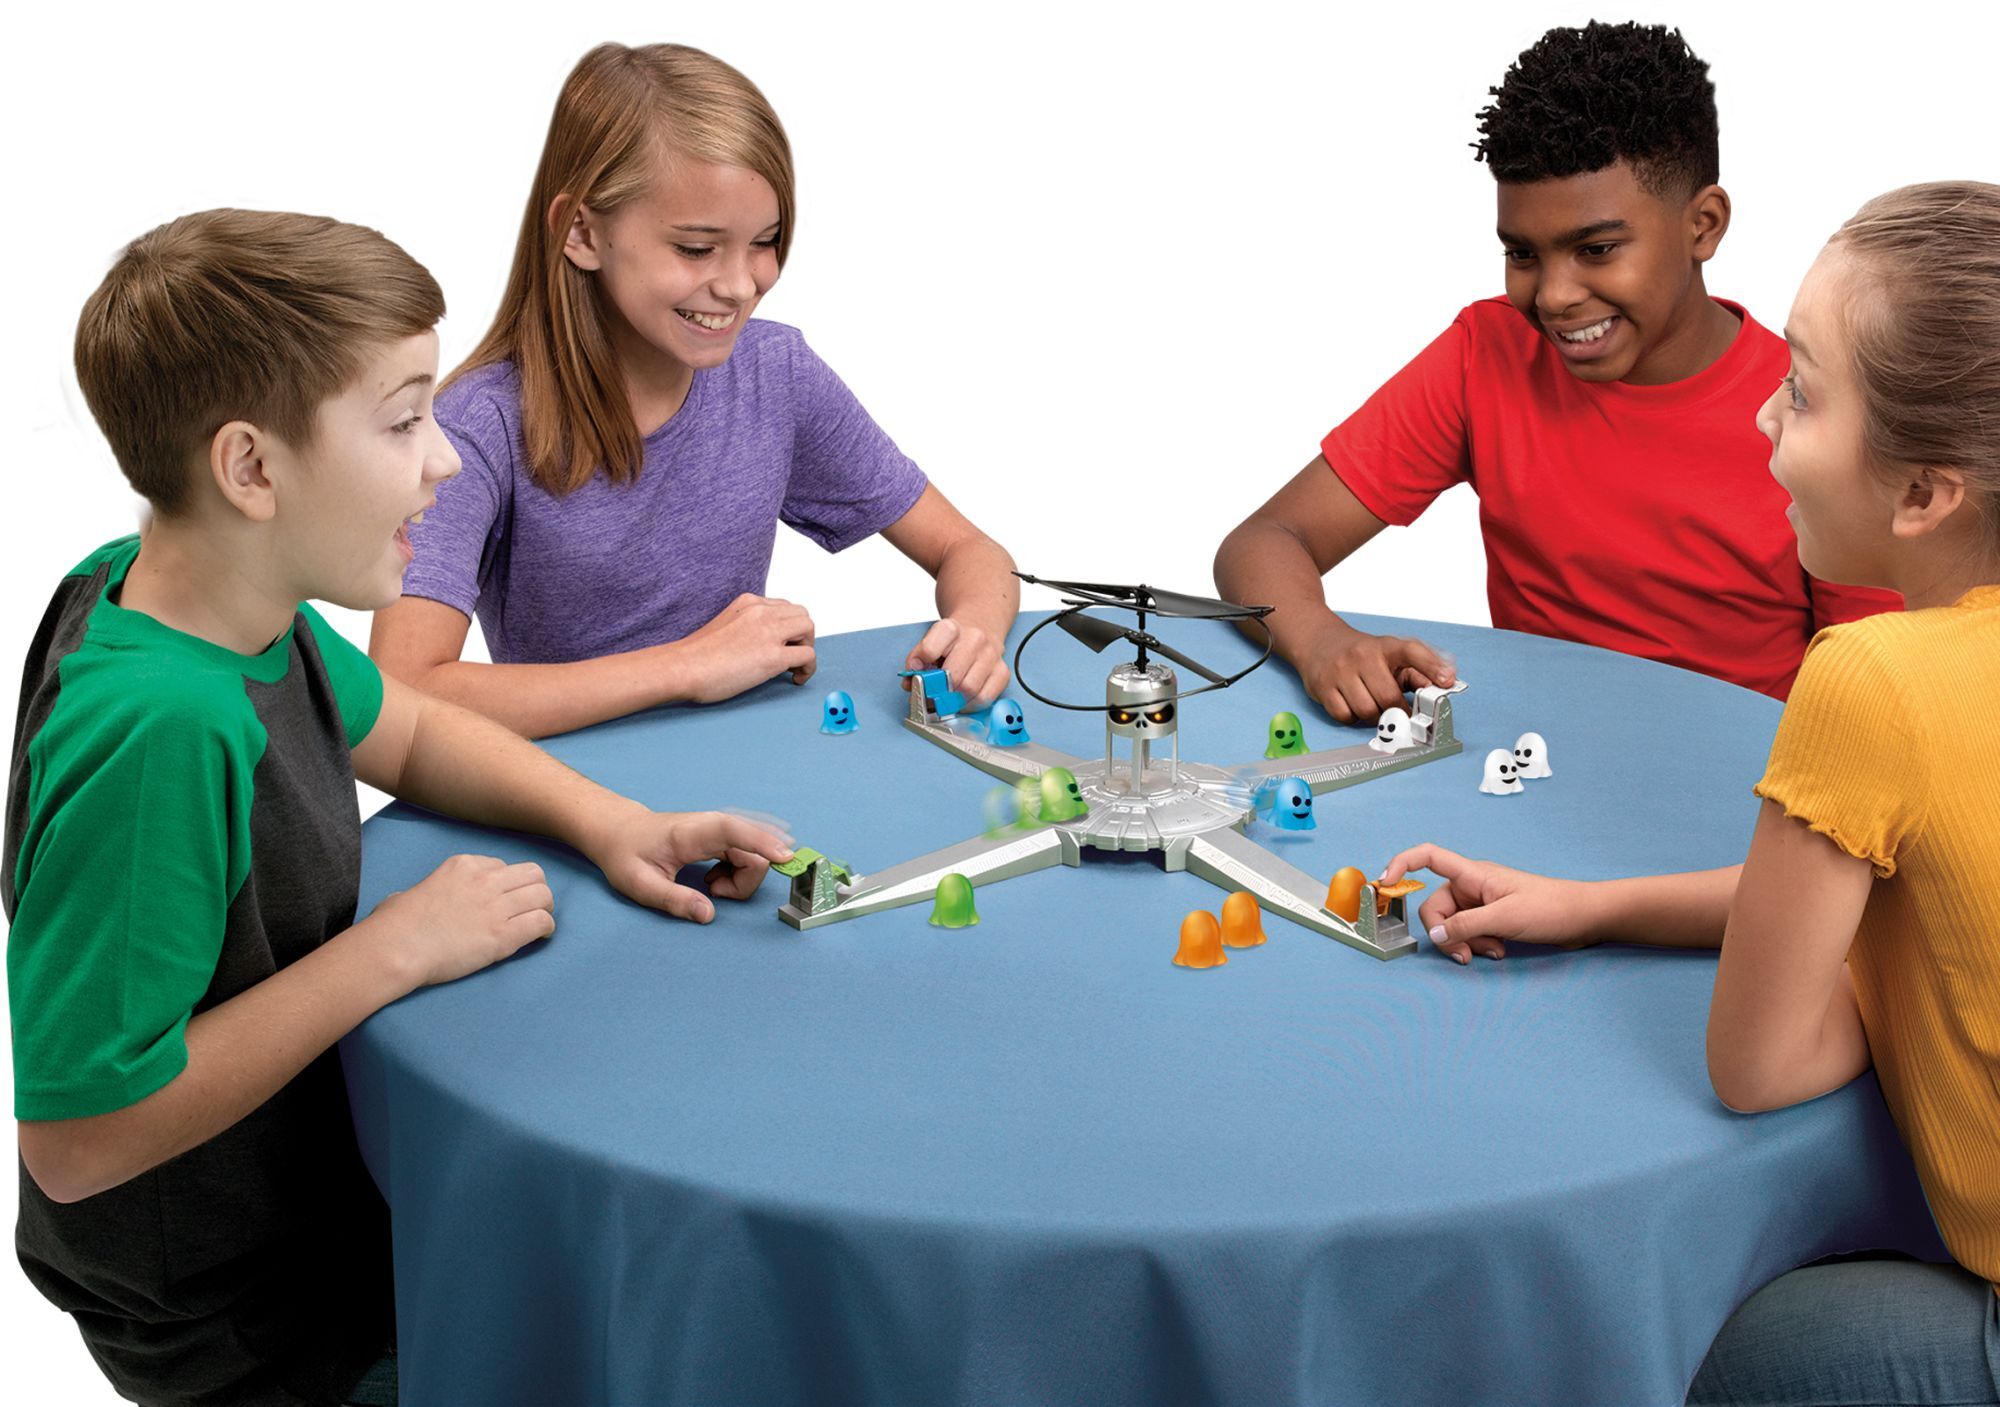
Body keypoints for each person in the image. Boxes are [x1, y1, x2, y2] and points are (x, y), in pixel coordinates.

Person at [6, 209, 793, 1406]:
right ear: (251, 469)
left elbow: (410, 730)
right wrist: (394, 950)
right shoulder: (165, 728)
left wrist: (610, 821)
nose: (446, 461)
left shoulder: (210, 599)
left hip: (316, 1213)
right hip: (251, 1321)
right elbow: (79, 1142)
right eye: (402, 420)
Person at [1380, 182, 2000, 1404]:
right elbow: (1915, 879)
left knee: (1710, 1358)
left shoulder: (1869, 678)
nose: (1762, 412)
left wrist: (1881, 965)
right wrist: (1592, 905)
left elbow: (1760, 1065)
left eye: (1802, 393)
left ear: (1923, 495)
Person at [1213, 21, 1895, 723]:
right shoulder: (1486, 355)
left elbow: (1877, 684)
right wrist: (1322, 641)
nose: (1553, 296)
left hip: (1747, 776)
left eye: (1596, 249)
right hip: (1531, 765)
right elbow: (1264, 542)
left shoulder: (1819, 412)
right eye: (1523, 254)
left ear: (1704, 225)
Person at [369, 42, 1019, 739]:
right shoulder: (478, 426)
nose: (740, 285)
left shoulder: (776, 373)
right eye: (696, 248)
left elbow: (970, 551)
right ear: (582, 232)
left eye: (765, 241)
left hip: (740, 768)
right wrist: (687, 666)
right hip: (573, 786)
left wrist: (975, 631)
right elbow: (402, 689)